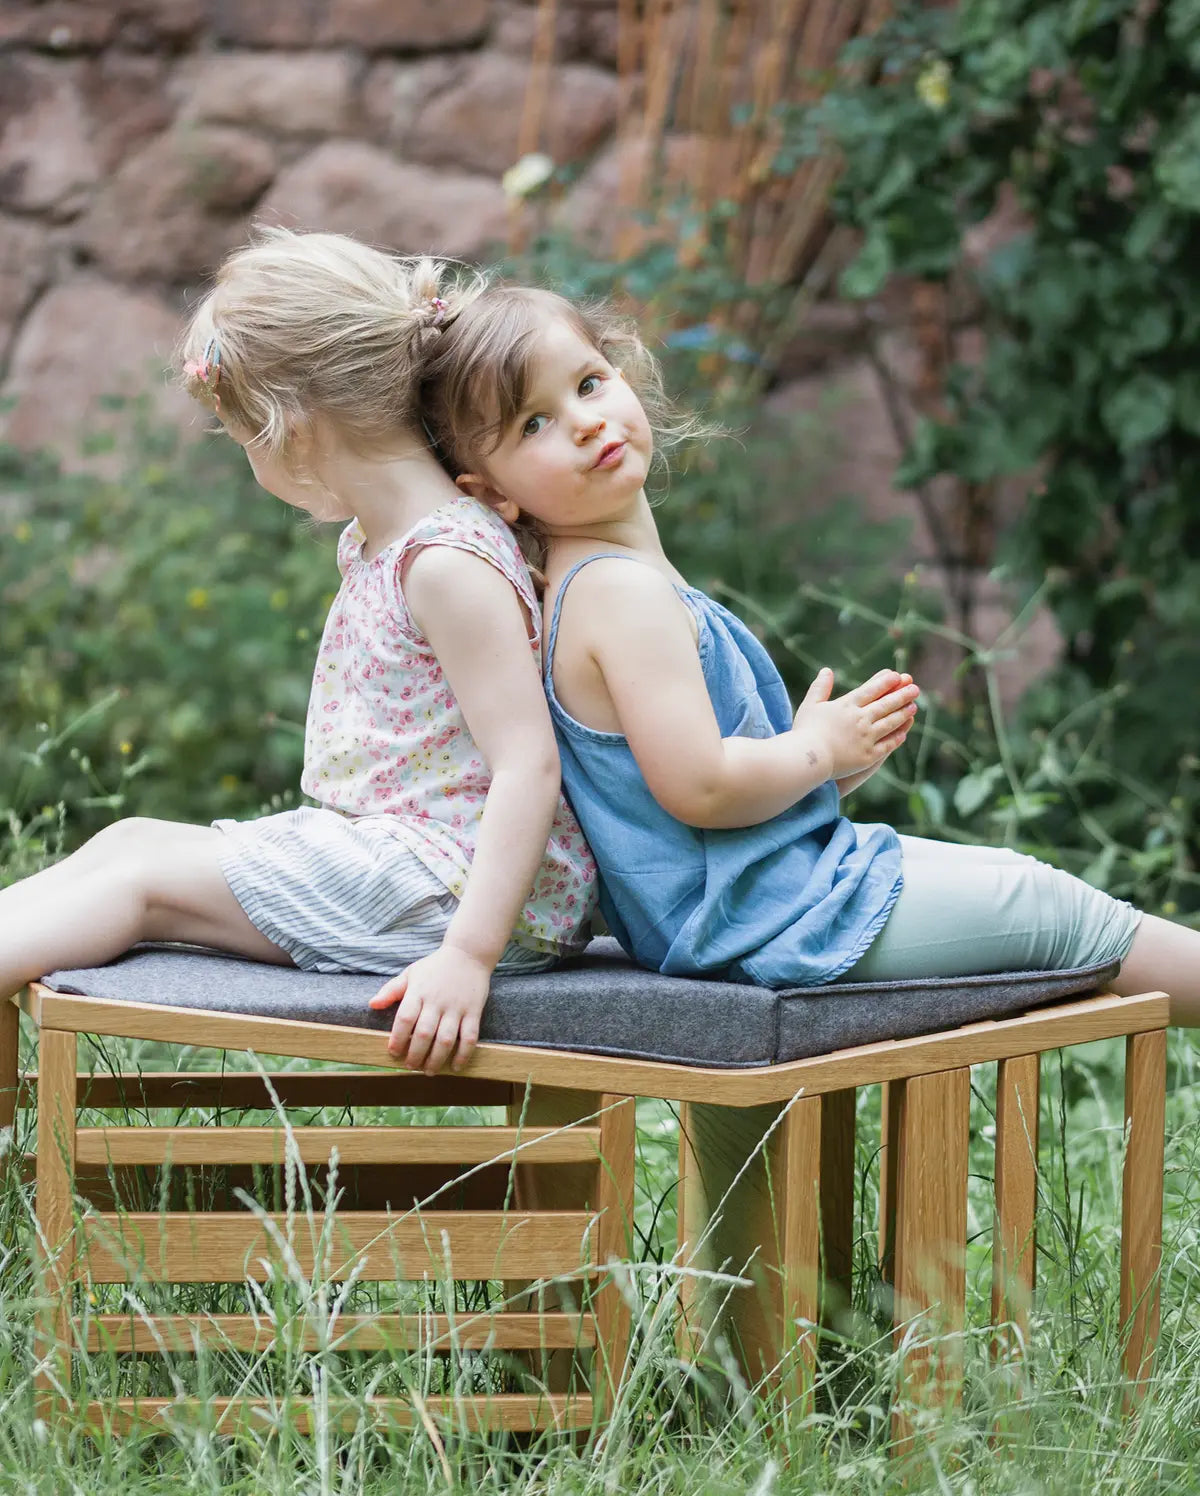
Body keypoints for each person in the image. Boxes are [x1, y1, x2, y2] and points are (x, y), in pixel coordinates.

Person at [418, 282, 1200, 1019]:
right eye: (534, 424)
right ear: (491, 493)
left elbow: (680, 805)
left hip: (770, 893)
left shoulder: (607, 578)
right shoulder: (617, 593)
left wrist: (825, 761)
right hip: (761, 917)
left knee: (1017, 884)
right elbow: (700, 790)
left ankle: (739, 1175)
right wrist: (814, 752)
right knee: (1055, 910)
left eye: (587, 384)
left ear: (621, 374)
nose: (585, 421)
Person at [0, 233, 596, 1072]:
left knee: (140, 887)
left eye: (240, 435)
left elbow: (529, 765)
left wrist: (469, 955)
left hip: (461, 892)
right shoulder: (381, 541)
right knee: (130, 839)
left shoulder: (447, 563)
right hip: (413, 864)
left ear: (292, 429)